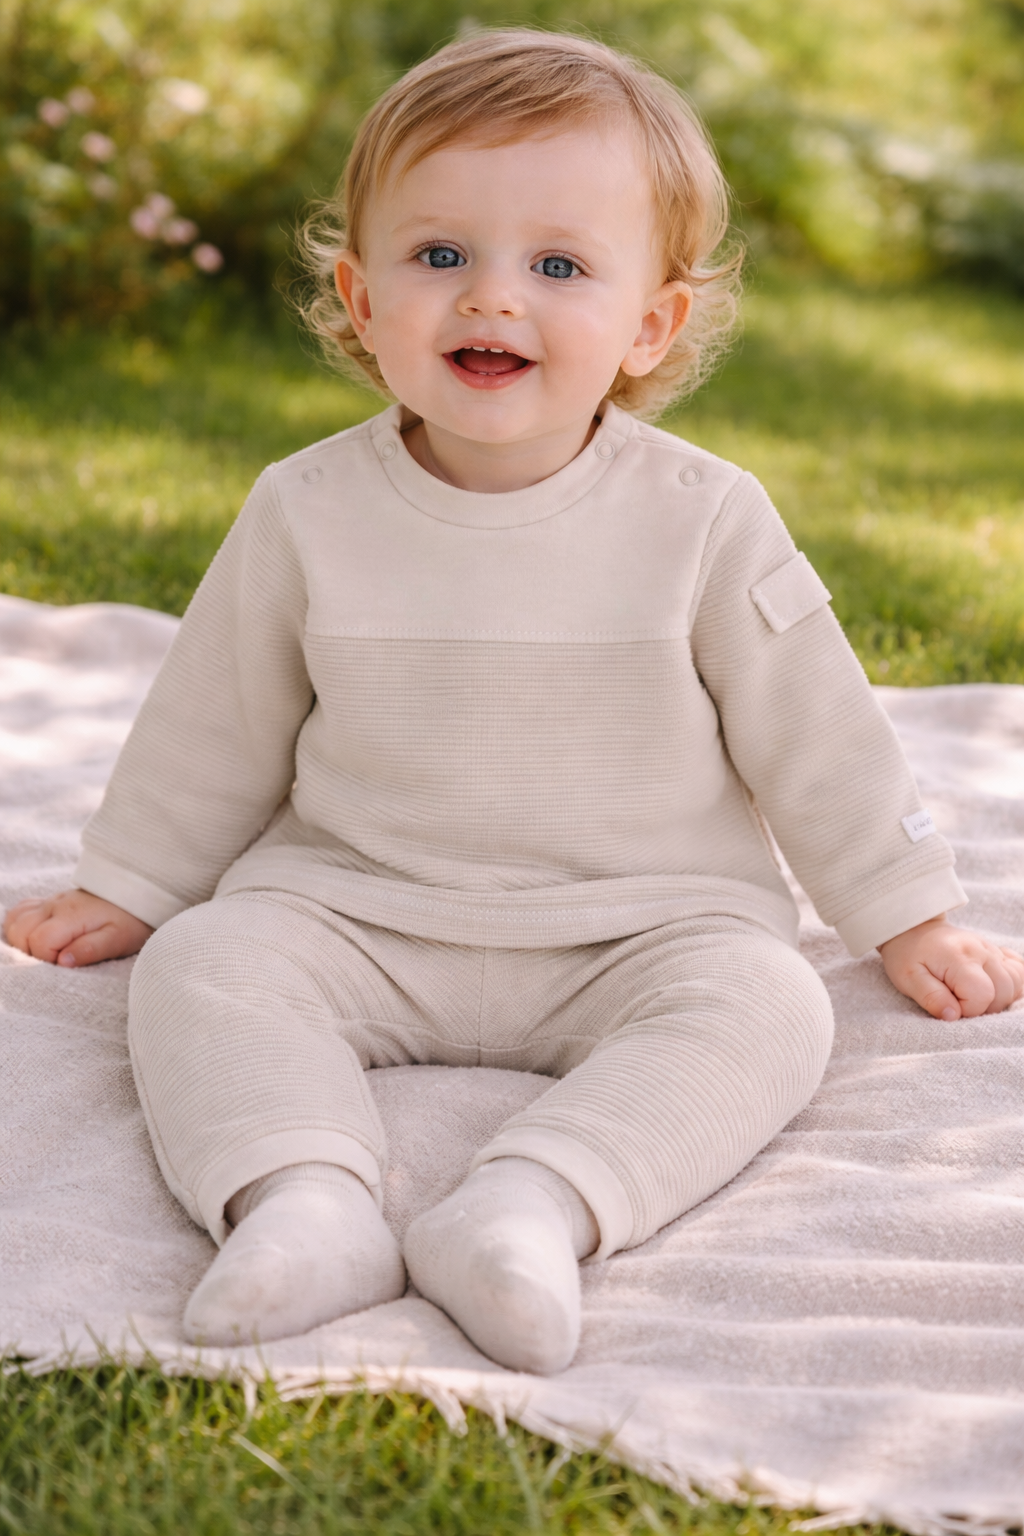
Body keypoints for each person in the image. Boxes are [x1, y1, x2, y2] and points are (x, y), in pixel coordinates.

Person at [5, 31, 1022, 1376]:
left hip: (642, 924)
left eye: (558, 267)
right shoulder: (305, 508)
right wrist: (134, 881)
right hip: (361, 909)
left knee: (773, 1004)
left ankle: (530, 1206)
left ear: (650, 324)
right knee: (204, 966)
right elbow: (215, 717)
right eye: (440, 256)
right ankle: (305, 1200)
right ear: (362, 298)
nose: (491, 297)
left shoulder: (705, 517)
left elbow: (817, 727)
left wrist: (904, 909)